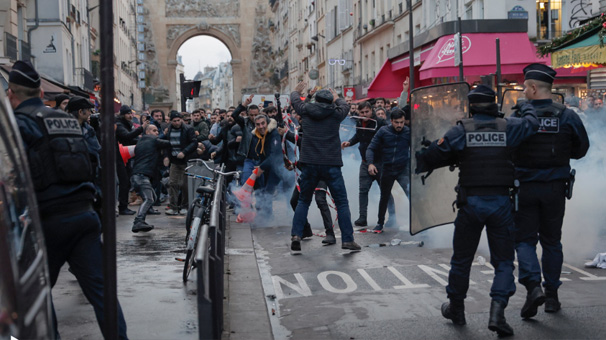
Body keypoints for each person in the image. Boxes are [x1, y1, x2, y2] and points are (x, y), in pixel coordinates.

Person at [7, 60, 129, 339]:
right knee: (102, 294)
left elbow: (12, 177)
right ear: (40, 94)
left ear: (11, 95)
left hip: (48, 220)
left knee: (34, 295)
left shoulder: (19, 125)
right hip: (85, 215)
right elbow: (91, 161)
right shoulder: (66, 121)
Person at [415, 85, 540, 336]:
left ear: (470, 106)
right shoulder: (509, 127)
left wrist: (427, 154)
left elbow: (432, 156)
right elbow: (532, 124)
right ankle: (497, 312)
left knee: (461, 260)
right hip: (501, 203)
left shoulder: (461, 130)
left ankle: (457, 309)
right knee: (503, 261)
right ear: (493, 104)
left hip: (470, 204)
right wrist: (525, 104)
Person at [513, 64, 590, 320]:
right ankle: (552, 297)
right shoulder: (567, 116)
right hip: (555, 188)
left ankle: (533, 287)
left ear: (534, 88)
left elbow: (507, 149)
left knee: (525, 240)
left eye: (525, 87)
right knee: (552, 241)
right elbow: (581, 149)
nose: (523, 91)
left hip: (524, 188)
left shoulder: (519, 116)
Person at [290, 82, 361, 252]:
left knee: (303, 201)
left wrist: (297, 91)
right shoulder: (336, 114)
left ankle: (296, 235)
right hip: (331, 164)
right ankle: (347, 239)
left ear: (315, 100)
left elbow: (294, 100)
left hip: (310, 164)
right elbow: (344, 104)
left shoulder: (305, 110)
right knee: (341, 203)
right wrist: (336, 97)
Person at [341, 101, 395, 228]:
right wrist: (349, 142)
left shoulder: (380, 123)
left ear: (372, 111)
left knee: (385, 191)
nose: (365, 114)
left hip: (380, 162)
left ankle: (393, 217)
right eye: (362, 112)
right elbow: (358, 136)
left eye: (367, 112)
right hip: (365, 162)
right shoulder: (359, 122)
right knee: (363, 190)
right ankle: (362, 217)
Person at [366, 107, 410, 231]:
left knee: (411, 195)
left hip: (403, 169)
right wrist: (370, 163)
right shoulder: (383, 131)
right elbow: (371, 148)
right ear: (391, 121)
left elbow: (417, 147)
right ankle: (380, 223)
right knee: (384, 196)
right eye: (397, 122)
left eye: (402, 122)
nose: (399, 125)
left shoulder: (408, 132)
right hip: (387, 168)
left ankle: (419, 223)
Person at [131, 124, 172, 232]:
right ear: (147, 132)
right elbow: (168, 143)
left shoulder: (141, 141)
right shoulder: (152, 139)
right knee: (149, 199)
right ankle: (138, 221)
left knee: (151, 196)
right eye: (154, 130)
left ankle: (144, 216)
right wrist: (169, 135)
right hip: (142, 175)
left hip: (138, 175)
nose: (157, 133)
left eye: (157, 131)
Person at [162, 111, 198, 215]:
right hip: (174, 160)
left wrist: (184, 152)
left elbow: (194, 142)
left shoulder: (188, 129)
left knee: (185, 185)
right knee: (172, 183)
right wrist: (166, 156)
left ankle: (184, 206)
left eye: (178, 120)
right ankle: (173, 207)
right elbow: (167, 144)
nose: (177, 123)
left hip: (186, 160)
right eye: (174, 121)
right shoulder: (169, 130)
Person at [116, 104, 147, 215]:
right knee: (123, 181)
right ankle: (122, 207)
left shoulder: (126, 124)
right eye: (128, 113)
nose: (130, 115)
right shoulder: (119, 124)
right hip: (119, 156)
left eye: (130, 113)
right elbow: (127, 136)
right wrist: (141, 128)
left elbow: (131, 139)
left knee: (126, 181)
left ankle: (123, 206)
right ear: (123, 114)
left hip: (124, 156)